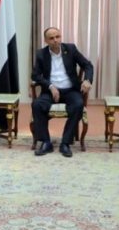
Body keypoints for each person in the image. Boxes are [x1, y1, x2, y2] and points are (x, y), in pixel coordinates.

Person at [31, 27, 94, 157]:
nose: (55, 40)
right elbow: (35, 75)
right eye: (51, 38)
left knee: (78, 105)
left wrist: (87, 80)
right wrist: (50, 86)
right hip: (50, 92)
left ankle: (65, 143)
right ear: (46, 40)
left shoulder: (70, 49)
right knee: (37, 105)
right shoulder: (41, 54)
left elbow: (87, 65)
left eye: (57, 37)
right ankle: (46, 142)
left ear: (60, 37)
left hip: (70, 90)